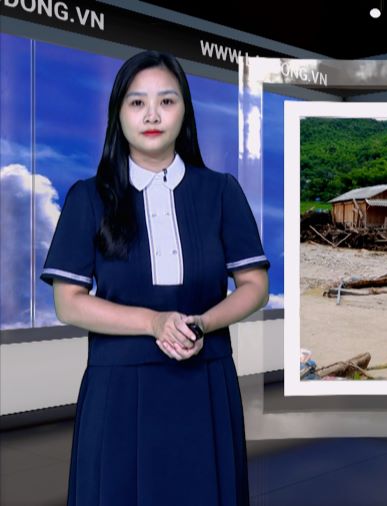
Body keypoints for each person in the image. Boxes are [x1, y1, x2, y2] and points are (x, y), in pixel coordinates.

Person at [40, 50, 269, 505]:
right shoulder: (88, 198)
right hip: (118, 386)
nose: (151, 115)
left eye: (166, 101)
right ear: (118, 114)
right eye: (136, 102)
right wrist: (153, 323)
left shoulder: (221, 191)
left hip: (205, 379)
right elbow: (69, 301)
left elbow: (254, 287)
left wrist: (198, 324)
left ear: (184, 111)